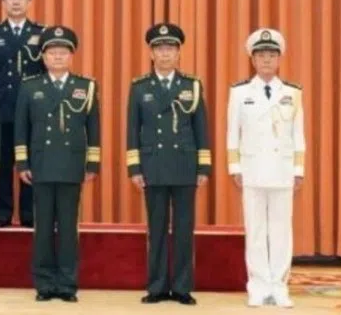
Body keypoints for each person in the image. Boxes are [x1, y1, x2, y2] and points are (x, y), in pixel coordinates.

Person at [14, 25, 100, 302]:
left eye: (63, 52)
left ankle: (67, 284)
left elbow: (94, 130)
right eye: (52, 52)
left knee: (67, 228)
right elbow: (20, 129)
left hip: (72, 165)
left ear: (71, 56)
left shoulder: (85, 87)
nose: (58, 57)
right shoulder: (30, 87)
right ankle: (44, 284)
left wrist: (92, 165)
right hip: (40, 165)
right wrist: (22, 162)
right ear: (43, 56)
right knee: (42, 229)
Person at [126, 22, 210, 306]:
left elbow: (202, 129)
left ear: (178, 53)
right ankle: (157, 286)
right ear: (151, 53)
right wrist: (135, 168)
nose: (165, 54)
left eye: (170, 48)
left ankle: (183, 287)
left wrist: (204, 167)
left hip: (185, 165)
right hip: (153, 166)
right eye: (159, 48)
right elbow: (132, 129)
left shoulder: (192, 86)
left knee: (184, 229)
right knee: (157, 228)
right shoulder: (139, 87)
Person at [227, 28, 305, 308]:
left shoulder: (293, 92)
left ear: (280, 58)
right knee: (256, 229)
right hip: (252, 170)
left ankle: (279, 285)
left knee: (282, 230)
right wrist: (235, 166)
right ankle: (258, 285)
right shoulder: (239, 92)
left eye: (272, 55)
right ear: (253, 60)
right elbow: (232, 133)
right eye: (261, 55)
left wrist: (298, 170)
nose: (267, 60)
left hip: (283, 170)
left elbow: (298, 133)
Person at [0, 0, 45, 228]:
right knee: (4, 162)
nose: (16, 2)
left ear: (29, 1)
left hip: (32, 110)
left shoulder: (40, 33)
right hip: (2, 107)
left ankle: (29, 215)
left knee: (30, 164)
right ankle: (3, 214)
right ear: (3, 2)